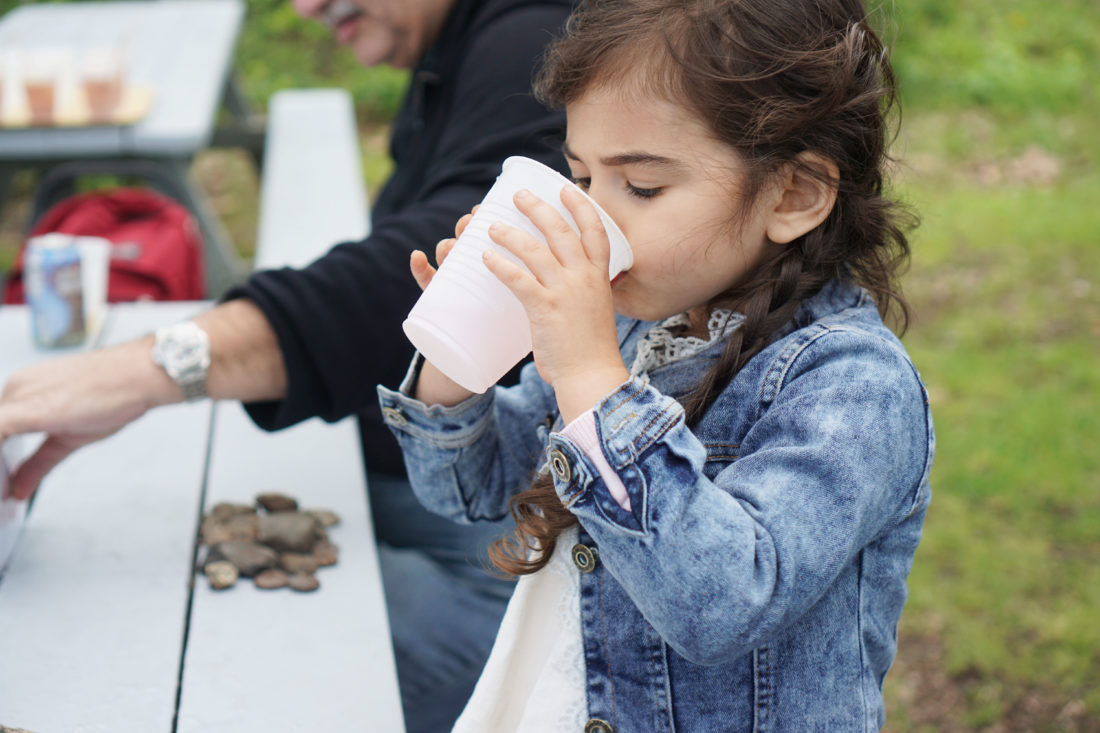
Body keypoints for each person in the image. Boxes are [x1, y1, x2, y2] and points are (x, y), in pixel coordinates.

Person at [0, 0, 574, 730]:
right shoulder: (452, 42)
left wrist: (151, 368)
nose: (305, 7)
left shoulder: (534, 39)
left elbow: (444, 272)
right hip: (417, 463)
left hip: (516, 532)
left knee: (212, 653)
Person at [378, 0, 936, 729]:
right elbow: (473, 487)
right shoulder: (630, 322)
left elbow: (722, 602)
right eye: (581, 178)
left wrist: (588, 373)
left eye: (640, 187)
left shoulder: (853, 386)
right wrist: (462, 351)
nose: (594, 219)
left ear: (794, 194)